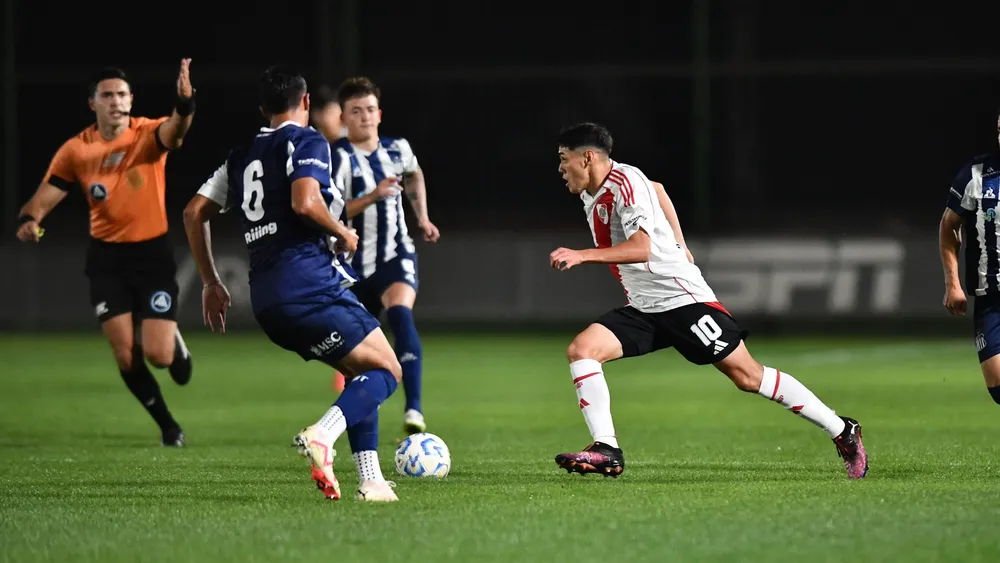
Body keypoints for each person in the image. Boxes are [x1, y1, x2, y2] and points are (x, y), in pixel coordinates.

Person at [549, 122, 868, 479]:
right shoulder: (598, 189)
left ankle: (842, 430)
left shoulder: (625, 182)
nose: (561, 169)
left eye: (564, 160)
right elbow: (660, 190)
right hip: (645, 307)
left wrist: (583, 255)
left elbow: (642, 248)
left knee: (749, 377)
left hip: (683, 302)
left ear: (587, 157)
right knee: (582, 350)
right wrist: (681, 242)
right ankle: (606, 449)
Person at [182, 65, 402, 502]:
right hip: (308, 285)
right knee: (387, 370)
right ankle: (322, 435)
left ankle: (371, 480)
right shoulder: (306, 140)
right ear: (305, 103)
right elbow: (305, 202)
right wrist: (341, 232)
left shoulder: (240, 155)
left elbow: (193, 213)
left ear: (263, 108)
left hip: (267, 301)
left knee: (358, 372)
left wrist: (210, 281)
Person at [16, 61, 196, 447]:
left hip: (152, 256)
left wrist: (185, 103)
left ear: (132, 101)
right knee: (125, 355)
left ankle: (173, 343)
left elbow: (176, 131)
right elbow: (46, 195)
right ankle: (168, 426)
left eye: (122, 95)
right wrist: (31, 218)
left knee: (161, 358)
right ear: (92, 103)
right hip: (107, 262)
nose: (116, 101)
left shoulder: (147, 134)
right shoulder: (77, 150)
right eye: (107, 95)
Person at [329, 76, 441, 434]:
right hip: (352, 266)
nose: (365, 117)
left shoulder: (398, 149)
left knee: (401, 315)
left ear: (380, 114)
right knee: (356, 355)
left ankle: (414, 409)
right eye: (356, 111)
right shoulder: (337, 157)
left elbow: (414, 175)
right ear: (344, 118)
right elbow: (329, 210)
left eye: (370, 109)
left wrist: (422, 217)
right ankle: (351, 429)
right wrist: (373, 196)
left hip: (395, 253)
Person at [940, 108, 1000, 404]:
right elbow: (949, 227)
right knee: (998, 386)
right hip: (991, 296)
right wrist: (953, 284)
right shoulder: (976, 174)